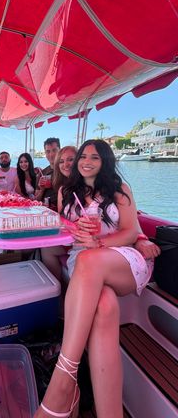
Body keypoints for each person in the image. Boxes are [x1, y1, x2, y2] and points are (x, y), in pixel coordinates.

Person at [35, 139, 159, 418]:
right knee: (104, 306)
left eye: (95, 157)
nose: (86, 161)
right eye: (83, 156)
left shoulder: (119, 190)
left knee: (89, 260)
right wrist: (75, 230)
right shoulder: (66, 192)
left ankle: (63, 381)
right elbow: (65, 230)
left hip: (120, 259)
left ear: (105, 162)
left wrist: (98, 243)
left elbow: (129, 231)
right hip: (82, 262)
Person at [36, 138, 60, 210]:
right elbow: (36, 200)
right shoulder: (42, 173)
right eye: (48, 151)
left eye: (54, 150)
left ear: (60, 150)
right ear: (45, 153)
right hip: (46, 211)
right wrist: (42, 190)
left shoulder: (66, 170)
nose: (51, 154)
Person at [52, 146, 77, 212]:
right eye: (61, 161)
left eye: (71, 159)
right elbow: (61, 217)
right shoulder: (62, 190)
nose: (65, 165)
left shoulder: (88, 187)